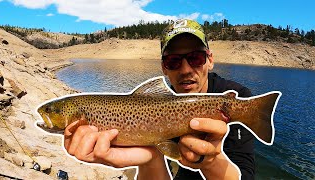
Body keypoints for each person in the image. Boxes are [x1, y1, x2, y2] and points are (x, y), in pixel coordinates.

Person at [63, 19, 255, 180]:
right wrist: (150, 158)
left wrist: (211, 163)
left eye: (195, 58)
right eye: (173, 61)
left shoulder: (236, 97)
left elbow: (246, 174)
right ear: (164, 68)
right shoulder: (151, 108)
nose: (186, 69)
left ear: (210, 60)